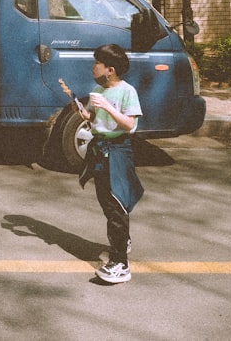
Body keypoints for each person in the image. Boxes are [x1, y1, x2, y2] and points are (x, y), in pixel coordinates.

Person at [77, 43, 144, 284]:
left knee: (117, 204)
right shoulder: (98, 88)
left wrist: (106, 106)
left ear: (110, 69)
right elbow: (96, 119)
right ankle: (121, 241)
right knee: (105, 200)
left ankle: (120, 264)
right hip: (100, 149)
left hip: (118, 150)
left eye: (97, 63)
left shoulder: (127, 91)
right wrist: (86, 115)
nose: (93, 67)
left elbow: (129, 125)